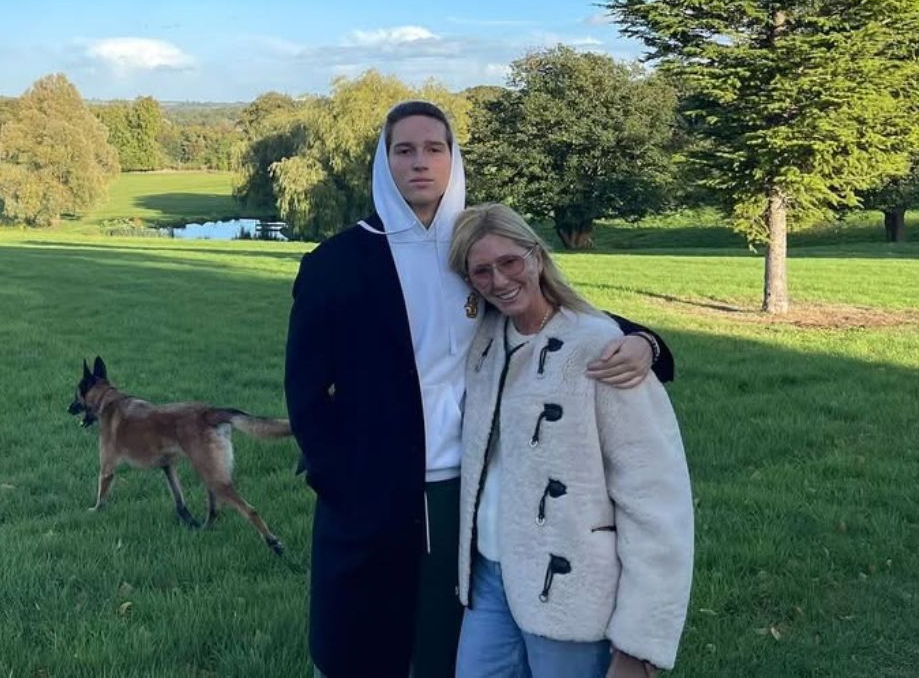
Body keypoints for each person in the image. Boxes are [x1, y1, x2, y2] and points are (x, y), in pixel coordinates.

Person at [284, 101, 675, 677]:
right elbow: (305, 392)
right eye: (404, 150)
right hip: (371, 489)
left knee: (445, 646)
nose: (420, 163)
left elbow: (555, 313)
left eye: (434, 149)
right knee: (360, 643)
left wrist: (647, 342)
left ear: (453, 158)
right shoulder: (336, 263)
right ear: (384, 163)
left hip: (466, 488)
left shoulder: (471, 252)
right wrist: (337, 479)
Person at [449, 203, 693, 678]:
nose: (499, 280)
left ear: (537, 256)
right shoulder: (483, 342)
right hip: (488, 579)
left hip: (573, 588)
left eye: (510, 262)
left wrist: (639, 644)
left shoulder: (602, 348)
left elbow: (655, 499)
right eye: (482, 271)